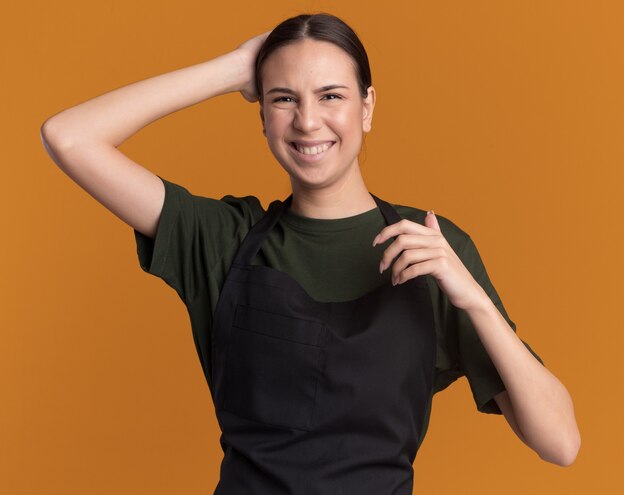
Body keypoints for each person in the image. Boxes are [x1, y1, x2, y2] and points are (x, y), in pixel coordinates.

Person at [41, 11, 580, 494]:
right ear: (262, 115)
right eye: (283, 98)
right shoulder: (223, 239)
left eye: (331, 95)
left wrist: (476, 302)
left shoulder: (432, 248)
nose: (307, 120)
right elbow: (69, 137)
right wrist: (232, 69)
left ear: (367, 107)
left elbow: (561, 444)